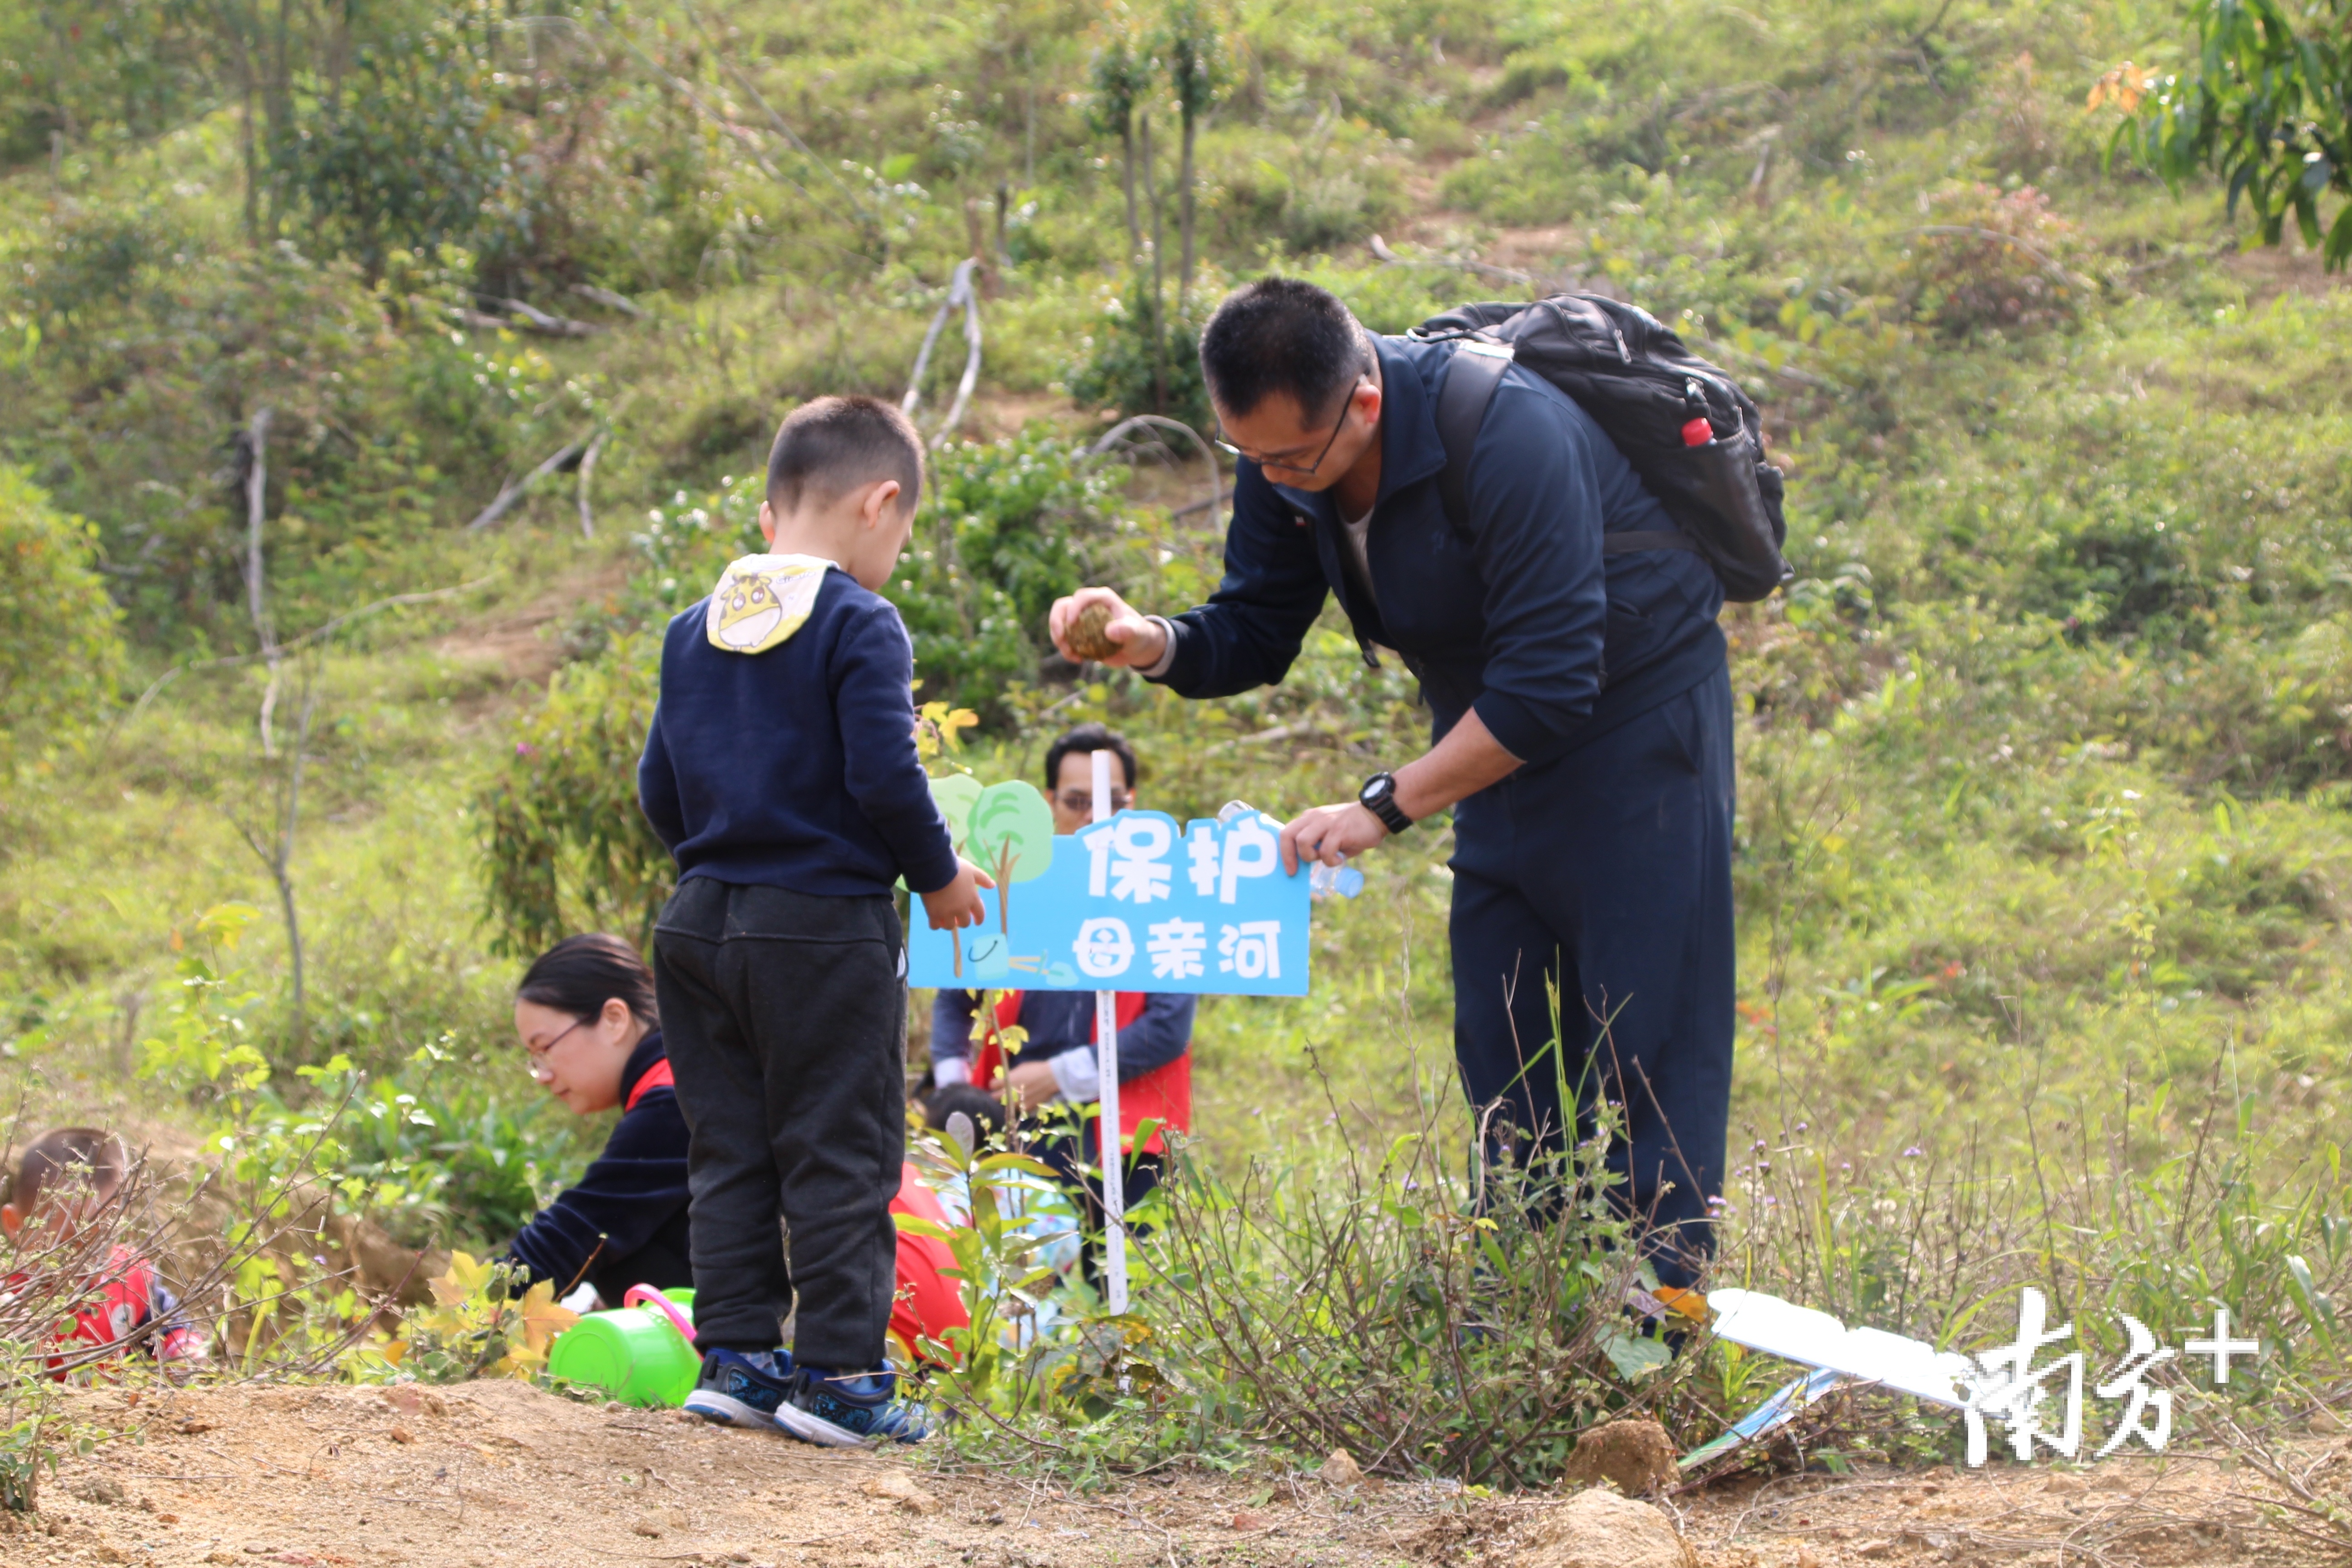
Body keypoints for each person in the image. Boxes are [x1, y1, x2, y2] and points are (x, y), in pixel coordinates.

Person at [1048, 278, 1734, 1293]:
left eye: (1291, 460)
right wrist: (1150, 640)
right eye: (1251, 456)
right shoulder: (1286, 454)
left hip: (1636, 733)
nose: (1274, 479)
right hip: (1486, 738)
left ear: (1363, 403)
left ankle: (1660, 1302)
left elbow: (1550, 685)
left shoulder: (1510, 433)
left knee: (1645, 1028)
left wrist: (1383, 805)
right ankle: (1524, 1295)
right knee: (1502, 1030)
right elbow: (1255, 625)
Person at [637, 393, 991, 1447]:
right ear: (880, 504)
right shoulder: (858, 620)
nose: (896, 556)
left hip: (698, 924)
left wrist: (726, 859)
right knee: (840, 1144)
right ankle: (840, 1376)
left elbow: (658, 787)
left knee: (729, 1146)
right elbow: (884, 772)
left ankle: (739, 1360)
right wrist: (936, 875)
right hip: (822, 927)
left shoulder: (693, 627)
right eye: (904, 534)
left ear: (770, 514)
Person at [927, 724, 1195, 1276]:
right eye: (1078, 802)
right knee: (1016, 1291)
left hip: (1128, 1133)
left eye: (1112, 802)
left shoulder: (1163, 892)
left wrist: (1058, 1074)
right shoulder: (1015, 885)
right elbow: (956, 995)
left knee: (1118, 1287)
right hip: (1013, 1123)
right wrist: (955, 1089)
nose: (1095, 817)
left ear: (1133, 801)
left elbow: (1168, 1026)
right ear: (1050, 803)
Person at [503, 934, 691, 1309]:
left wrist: (471, 1313)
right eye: (534, 1059)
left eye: (544, 1049)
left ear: (614, 1020)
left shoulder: (674, 1100)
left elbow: (573, 1233)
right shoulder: (686, 1075)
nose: (542, 1075)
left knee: (604, 1249)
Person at [2, 1127, 205, 1367]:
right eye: (68, 1242)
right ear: (15, 1225)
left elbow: (168, 1324)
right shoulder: (9, 1294)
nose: (87, 1258)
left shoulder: (129, 1277)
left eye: (103, 1241)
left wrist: (183, 1350)